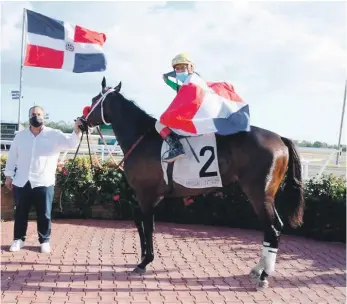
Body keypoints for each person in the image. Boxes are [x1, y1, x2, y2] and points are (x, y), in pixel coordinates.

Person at [4, 106, 84, 253]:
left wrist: (77, 129)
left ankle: (44, 241)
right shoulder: (20, 137)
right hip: (22, 181)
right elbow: (12, 157)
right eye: (33, 114)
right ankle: (18, 240)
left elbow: (71, 143)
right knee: (21, 212)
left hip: (44, 181)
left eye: (39, 114)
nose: (36, 116)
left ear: (44, 116)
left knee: (45, 214)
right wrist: (8, 175)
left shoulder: (54, 135)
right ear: (29, 117)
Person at [155, 53, 195, 163]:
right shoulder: (180, 87)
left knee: (159, 124)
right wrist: (174, 73)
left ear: (190, 67)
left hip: (192, 118)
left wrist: (181, 73)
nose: (181, 71)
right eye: (178, 69)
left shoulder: (194, 82)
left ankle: (177, 147)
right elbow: (165, 78)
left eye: (183, 67)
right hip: (189, 117)